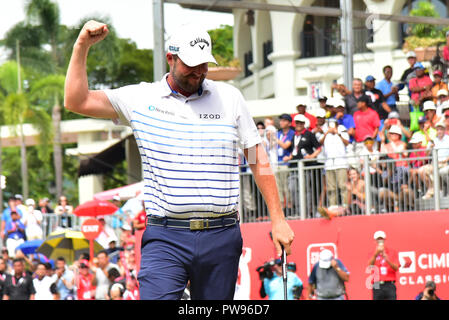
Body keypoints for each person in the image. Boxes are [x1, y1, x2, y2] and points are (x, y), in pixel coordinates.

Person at [64, 20, 294, 300]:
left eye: (203, 64)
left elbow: (258, 159)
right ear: (170, 58)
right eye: (190, 64)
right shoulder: (140, 97)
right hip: (165, 237)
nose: (198, 72)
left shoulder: (230, 97)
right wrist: (82, 46)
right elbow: (77, 101)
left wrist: (278, 219)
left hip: (221, 235)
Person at [319, 118, 350, 208]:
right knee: (331, 187)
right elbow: (320, 142)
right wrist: (327, 132)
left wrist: (338, 133)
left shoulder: (342, 129)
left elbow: (347, 142)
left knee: (342, 185)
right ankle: (333, 205)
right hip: (329, 164)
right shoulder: (325, 131)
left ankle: (345, 205)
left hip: (341, 162)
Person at [419, 121, 449, 199]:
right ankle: (433, 189)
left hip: (444, 163)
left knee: (436, 171)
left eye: (441, 129)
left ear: (444, 130)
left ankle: (433, 191)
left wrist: (446, 159)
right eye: (438, 129)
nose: (439, 131)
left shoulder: (448, 139)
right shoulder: (434, 140)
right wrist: (430, 147)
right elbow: (426, 154)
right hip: (435, 164)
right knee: (421, 171)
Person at [368, 230, 399, 300]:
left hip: (389, 283)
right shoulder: (372, 253)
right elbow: (370, 266)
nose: (380, 242)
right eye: (378, 240)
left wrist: (387, 259)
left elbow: (396, 268)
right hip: (376, 283)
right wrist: (376, 254)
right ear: (375, 241)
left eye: (381, 239)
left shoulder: (392, 252)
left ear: (384, 240)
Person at [274, 114, 295, 211]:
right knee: (278, 188)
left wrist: (274, 139)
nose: (281, 122)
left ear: (289, 123)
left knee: (286, 186)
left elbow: (286, 146)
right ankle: (282, 207)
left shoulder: (292, 133)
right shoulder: (278, 133)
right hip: (276, 163)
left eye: (284, 120)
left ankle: (290, 207)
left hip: (285, 164)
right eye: (280, 120)